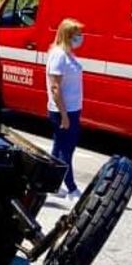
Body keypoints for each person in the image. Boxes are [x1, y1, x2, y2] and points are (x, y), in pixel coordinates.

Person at [46, 18, 85, 199]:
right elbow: (55, 88)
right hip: (63, 110)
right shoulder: (58, 55)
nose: (80, 37)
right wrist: (64, 115)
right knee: (66, 150)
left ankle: (49, 183)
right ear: (68, 35)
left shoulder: (69, 55)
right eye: (77, 34)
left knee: (59, 148)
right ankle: (71, 188)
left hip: (73, 109)